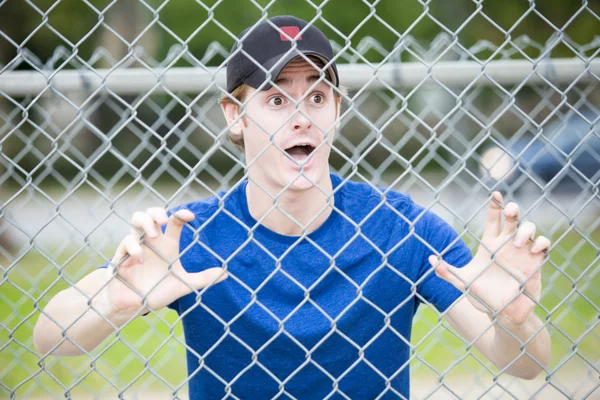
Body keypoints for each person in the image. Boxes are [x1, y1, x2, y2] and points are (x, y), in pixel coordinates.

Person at [33, 15, 552, 399]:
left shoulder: (397, 229)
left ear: (336, 111)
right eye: (277, 99)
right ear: (235, 116)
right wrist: (117, 298)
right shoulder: (191, 235)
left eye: (318, 97)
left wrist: (516, 320)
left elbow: (527, 365)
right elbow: (48, 336)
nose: (301, 117)